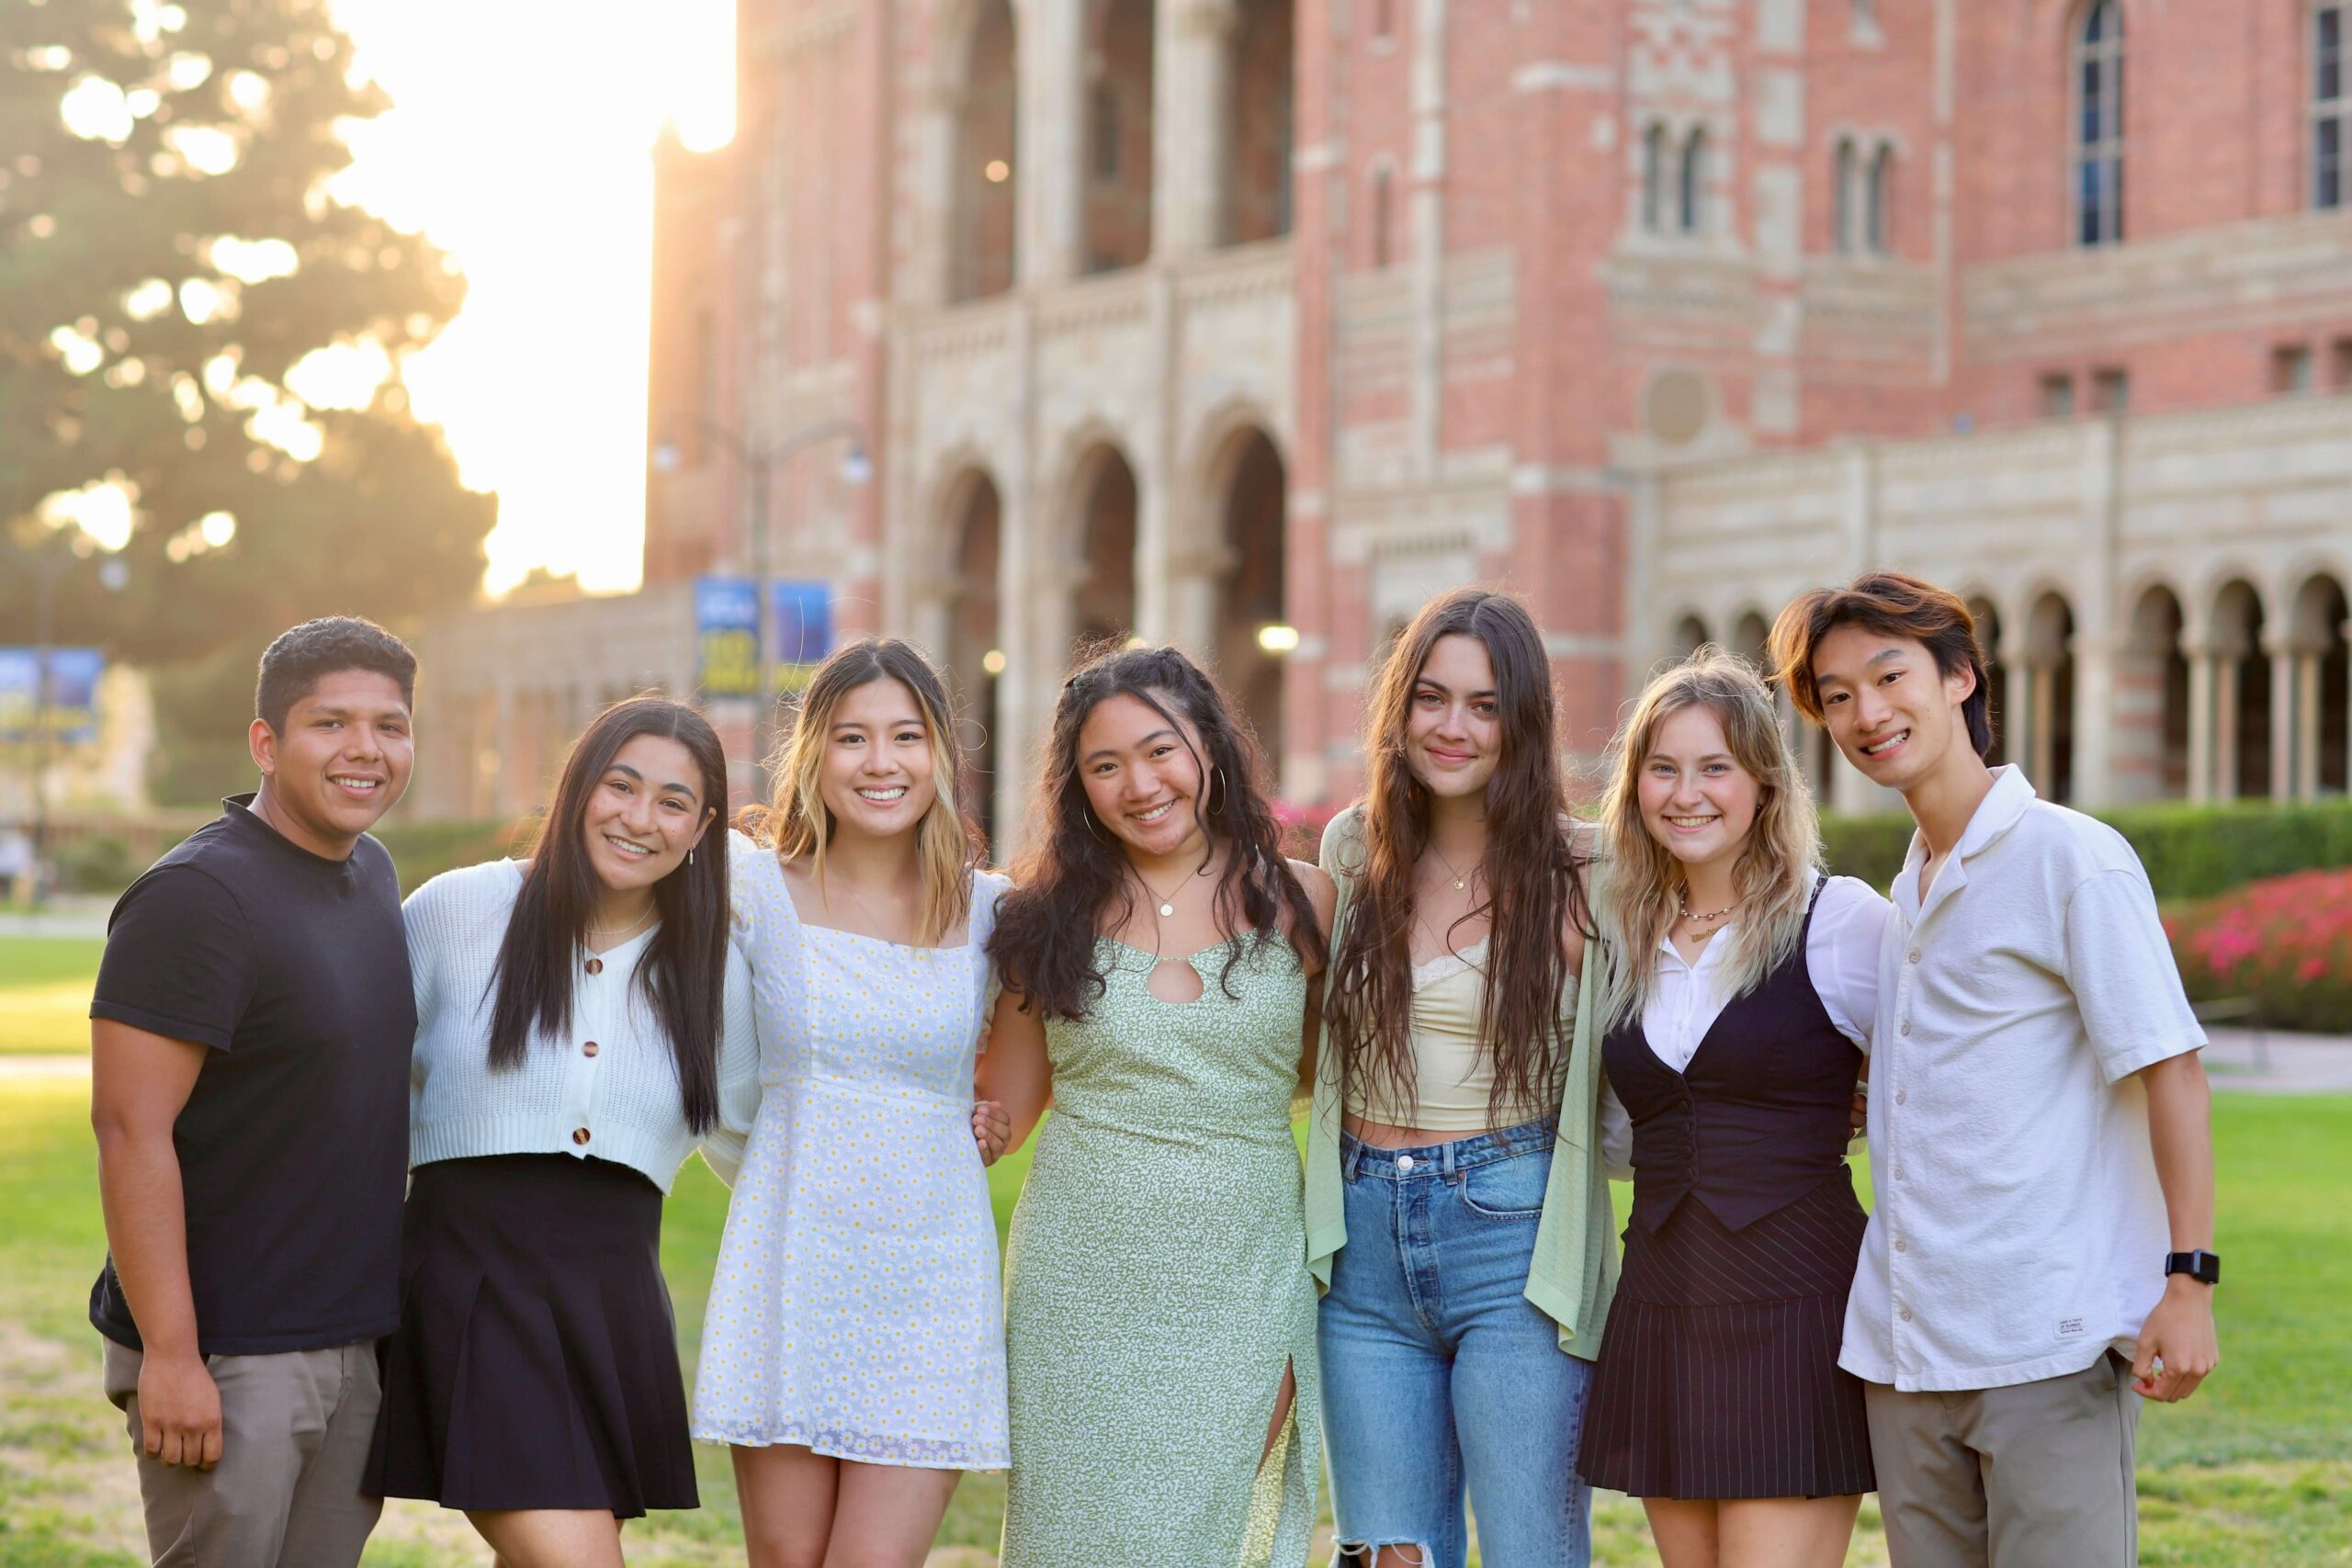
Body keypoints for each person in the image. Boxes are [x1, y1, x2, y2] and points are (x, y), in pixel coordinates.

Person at [1770, 570, 2219, 1568]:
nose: (1865, 714)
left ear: (1961, 678)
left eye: (1888, 678)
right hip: (1903, 1351)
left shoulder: (2070, 858)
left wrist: (2188, 1282)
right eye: (1836, 697)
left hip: (2043, 1346)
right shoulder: (1907, 887)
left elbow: (2172, 1071)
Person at [365, 696, 759, 1568]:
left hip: (610, 1301)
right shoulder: (455, 911)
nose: (638, 818)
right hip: (469, 1282)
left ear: (703, 828)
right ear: (579, 787)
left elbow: (761, 1142)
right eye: (620, 786)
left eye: (671, 802)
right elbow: (355, 1092)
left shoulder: (715, 968)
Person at [979, 643, 1335, 1568]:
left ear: (1208, 746)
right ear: (1079, 788)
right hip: (1079, 1284)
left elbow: (1328, 1077)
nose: (1139, 783)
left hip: (1245, 1274)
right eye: (1105, 765)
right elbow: (1005, 1112)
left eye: (1158, 750)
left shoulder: (1305, 904)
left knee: (1215, 1530)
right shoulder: (1040, 922)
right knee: (1078, 1536)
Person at [88, 616, 419, 1568]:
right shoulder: (196, 899)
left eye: (390, 726)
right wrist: (175, 1356)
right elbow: (128, 1132)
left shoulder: (372, 872)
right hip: (229, 1353)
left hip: (351, 1342)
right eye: (331, 724)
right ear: (267, 744)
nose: (365, 750)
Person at [1306, 587, 1614, 1568]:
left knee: (1528, 1547)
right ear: (1398, 711)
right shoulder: (1355, 850)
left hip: (1511, 1234)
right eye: (1430, 699)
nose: (1452, 727)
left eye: (1483, 706)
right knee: (1387, 1554)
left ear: (1522, 723)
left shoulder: (1587, 873)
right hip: (1359, 1242)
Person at [694, 638, 1013, 1568]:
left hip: (929, 1277)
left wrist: (991, 1115)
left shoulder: (993, 914)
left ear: (940, 756)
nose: (881, 763)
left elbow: (1035, 1065)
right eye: (851, 739)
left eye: (906, 736)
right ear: (813, 758)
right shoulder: (749, 888)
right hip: (790, 1258)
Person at [1576, 649, 1887, 1567]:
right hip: (1665, 1296)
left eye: (1714, 767)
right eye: (1661, 769)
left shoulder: (1839, 921)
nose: (1686, 793)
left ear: (1762, 783)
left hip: (1796, 1298)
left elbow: (1935, 1084)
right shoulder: (1625, 939)